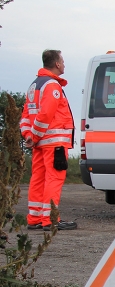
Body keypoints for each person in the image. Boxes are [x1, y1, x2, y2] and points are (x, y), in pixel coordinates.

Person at [20, 50, 77, 231]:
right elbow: (46, 114)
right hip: (54, 143)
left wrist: (30, 136)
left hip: (38, 144)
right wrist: (35, 136)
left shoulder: (34, 86)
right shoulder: (52, 86)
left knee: (38, 178)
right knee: (53, 179)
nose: (64, 64)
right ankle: (50, 219)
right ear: (57, 64)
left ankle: (35, 218)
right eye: (63, 61)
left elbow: (25, 117)